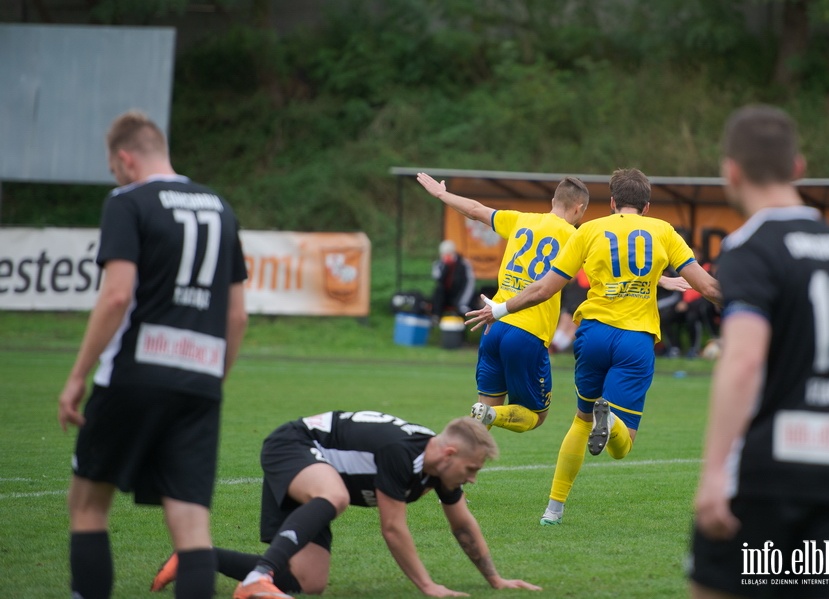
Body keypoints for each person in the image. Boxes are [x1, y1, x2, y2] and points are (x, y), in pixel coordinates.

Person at [57, 111, 249, 599]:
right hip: (201, 381)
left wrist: (78, 376)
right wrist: (212, 379)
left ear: (125, 158)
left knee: (87, 505)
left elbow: (117, 295)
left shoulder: (128, 201)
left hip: (134, 376)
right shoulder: (220, 206)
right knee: (190, 526)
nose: (115, 176)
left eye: (112, 167)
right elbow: (238, 316)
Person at [465, 168, 721, 526]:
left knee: (581, 419)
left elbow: (545, 288)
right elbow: (707, 288)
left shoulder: (589, 230)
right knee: (622, 445)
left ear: (613, 202)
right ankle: (612, 420)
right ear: (646, 207)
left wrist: (500, 307)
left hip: (592, 336)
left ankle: (553, 510)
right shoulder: (663, 231)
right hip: (634, 338)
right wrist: (749, 310)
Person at [689, 105, 829, 598]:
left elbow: (745, 359)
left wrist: (711, 476)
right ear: (799, 167)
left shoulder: (751, 247)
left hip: (771, 470)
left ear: (731, 170)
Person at [149, 411, 542, 598]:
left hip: (316, 476)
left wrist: (495, 579)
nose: (471, 477)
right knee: (335, 495)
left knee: (308, 583)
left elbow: (462, 523)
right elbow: (392, 527)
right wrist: (428, 585)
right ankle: (259, 577)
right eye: (471, 468)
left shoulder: (437, 469)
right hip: (294, 446)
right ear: (451, 452)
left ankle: (196, 557)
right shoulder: (400, 452)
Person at [418, 172, 589, 433]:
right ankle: (491, 414)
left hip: (493, 325)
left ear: (553, 200)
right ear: (579, 209)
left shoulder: (521, 219)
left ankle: (464, 463)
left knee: (481, 418)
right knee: (535, 415)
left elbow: (475, 210)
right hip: (527, 332)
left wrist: (442, 194)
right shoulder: (577, 238)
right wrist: (661, 281)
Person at [431, 239, 476, 321]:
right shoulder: (439, 264)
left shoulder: (464, 264)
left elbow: (469, 285)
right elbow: (437, 278)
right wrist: (445, 267)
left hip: (460, 295)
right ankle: (436, 315)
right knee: (439, 290)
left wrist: (462, 303)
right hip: (445, 297)